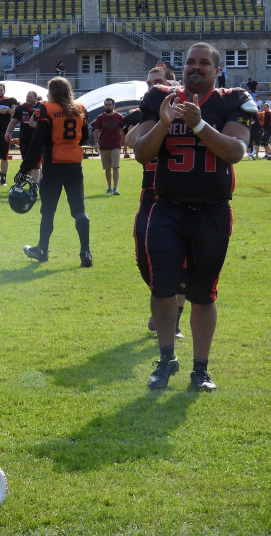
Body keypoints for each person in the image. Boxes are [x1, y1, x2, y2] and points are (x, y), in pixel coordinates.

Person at [134, 42, 254, 391]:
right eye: (190, 62)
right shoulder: (160, 98)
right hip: (167, 207)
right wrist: (163, 123)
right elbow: (141, 153)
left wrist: (199, 124)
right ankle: (166, 359)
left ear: (217, 70)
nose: (195, 67)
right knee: (162, 287)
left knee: (204, 292)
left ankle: (200, 369)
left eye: (203, 63)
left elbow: (235, 151)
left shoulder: (232, 100)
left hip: (213, 209)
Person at [123, 66, 188, 338]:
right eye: (149, 83)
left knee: (184, 262)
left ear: (173, 83)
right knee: (144, 256)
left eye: (158, 82)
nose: (152, 87)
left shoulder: (188, 108)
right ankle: (163, 300)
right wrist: (155, 118)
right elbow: (130, 140)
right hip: (150, 190)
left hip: (181, 191)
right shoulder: (147, 112)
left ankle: (173, 319)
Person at [18, 77, 92, 268]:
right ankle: (85, 251)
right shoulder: (79, 109)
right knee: (79, 211)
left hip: (53, 166)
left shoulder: (46, 110)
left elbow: (36, 143)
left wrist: (24, 169)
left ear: (51, 92)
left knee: (48, 211)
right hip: (74, 165)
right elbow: (84, 136)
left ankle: (42, 249)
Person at [5, 90, 40, 182]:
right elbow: (13, 121)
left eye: (30, 97)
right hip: (25, 139)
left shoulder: (40, 107)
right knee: (26, 161)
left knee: (36, 163)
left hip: (37, 138)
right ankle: (31, 182)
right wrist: (7, 132)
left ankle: (36, 183)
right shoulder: (21, 108)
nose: (27, 98)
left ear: (35, 98)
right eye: (27, 96)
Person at [93, 98, 124, 195]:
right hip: (104, 146)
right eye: (106, 105)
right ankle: (109, 188)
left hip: (116, 145)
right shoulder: (100, 117)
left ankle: (115, 188)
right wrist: (95, 144)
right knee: (107, 168)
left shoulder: (119, 117)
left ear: (113, 105)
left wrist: (125, 144)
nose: (107, 106)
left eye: (109, 105)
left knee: (115, 166)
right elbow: (96, 131)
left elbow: (122, 131)